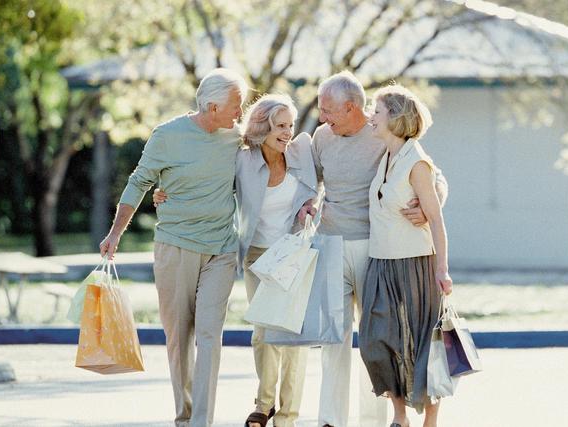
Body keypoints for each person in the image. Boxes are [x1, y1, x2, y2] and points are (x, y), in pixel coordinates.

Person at [153, 94, 318, 427]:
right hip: (258, 254)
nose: (287, 133)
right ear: (263, 126)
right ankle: (265, 401)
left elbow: (326, 182)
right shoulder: (242, 159)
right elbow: (206, 179)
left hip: (294, 251)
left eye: (289, 125)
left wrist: (310, 206)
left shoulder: (303, 151)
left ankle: (286, 415)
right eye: (279, 126)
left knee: (293, 336)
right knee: (264, 331)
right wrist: (166, 189)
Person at [296, 71, 448, 427]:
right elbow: (313, 183)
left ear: (351, 107)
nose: (322, 117)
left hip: (373, 249)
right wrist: (308, 203)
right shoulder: (322, 137)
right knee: (333, 339)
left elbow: (435, 179)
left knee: (374, 337)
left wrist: (429, 205)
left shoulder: (383, 134)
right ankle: (331, 420)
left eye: (328, 110)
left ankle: (374, 420)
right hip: (330, 244)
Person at [99, 68, 248, 427]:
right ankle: (184, 416)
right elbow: (139, 183)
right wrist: (115, 233)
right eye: (235, 106)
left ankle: (201, 421)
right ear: (212, 107)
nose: (239, 114)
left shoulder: (238, 138)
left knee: (211, 334)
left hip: (221, 249)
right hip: (176, 246)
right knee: (179, 338)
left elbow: (275, 142)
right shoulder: (167, 136)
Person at [358, 84, 453, 427]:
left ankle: (427, 421)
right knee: (375, 341)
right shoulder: (386, 155)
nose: (371, 117)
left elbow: (437, 222)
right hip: (380, 263)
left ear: (395, 118)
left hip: (416, 264)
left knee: (423, 344)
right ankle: (399, 415)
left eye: (377, 111)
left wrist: (442, 270)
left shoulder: (417, 162)